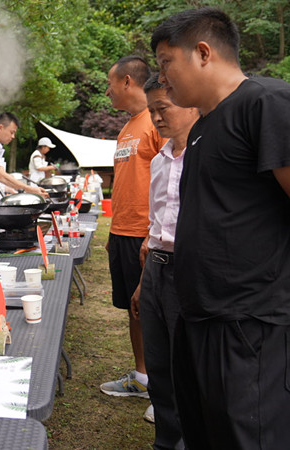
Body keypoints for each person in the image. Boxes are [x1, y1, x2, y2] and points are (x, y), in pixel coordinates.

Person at [151, 8, 290, 448]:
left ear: (204, 52)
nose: (164, 78)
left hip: (249, 322)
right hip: (199, 315)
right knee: (205, 433)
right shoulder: (202, 126)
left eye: (166, 63)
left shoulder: (265, 103)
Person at [130, 73, 198, 447]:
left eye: (164, 108)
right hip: (156, 265)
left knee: (186, 365)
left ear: (189, 103)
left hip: (189, 269)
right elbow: (155, 226)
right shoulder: (159, 161)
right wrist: (144, 281)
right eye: (152, 110)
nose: (156, 118)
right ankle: (167, 440)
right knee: (159, 365)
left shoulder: (207, 156)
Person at [99, 56, 166, 403]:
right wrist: (114, 232)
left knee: (156, 311)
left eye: (111, 83)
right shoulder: (127, 128)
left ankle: (165, 392)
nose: (107, 91)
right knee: (134, 307)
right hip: (123, 232)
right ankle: (142, 376)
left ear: (127, 81)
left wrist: (152, 235)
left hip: (148, 235)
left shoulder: (159, 122)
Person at [0, 112, 48, 221]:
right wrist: (29, 189)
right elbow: (2, 176)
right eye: (12, 132)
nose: (13, 136)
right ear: (0, 128)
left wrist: (13, 191)